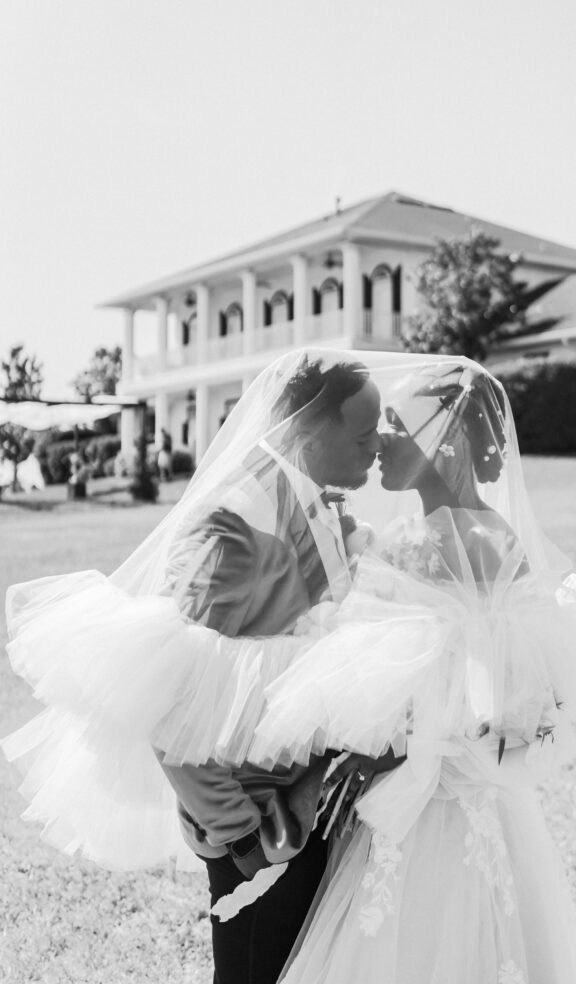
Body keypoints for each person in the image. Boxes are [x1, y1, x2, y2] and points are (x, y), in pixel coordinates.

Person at [1, 350, 395, 984]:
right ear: (308, 431)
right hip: (262, 823)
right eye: (363, 434)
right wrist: (243, 841)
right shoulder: (232, 524)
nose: (379, 446)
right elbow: (168, 691)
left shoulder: (315, 499)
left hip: (306, 801)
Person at [250, 358, 576, 984]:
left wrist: (378, 755)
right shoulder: (500, 535)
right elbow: (502, 696)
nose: (379, 442)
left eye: (396, 425)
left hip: (425, 811)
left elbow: (413, 689)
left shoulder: (417, 545)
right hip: (494, 804)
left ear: (445, 442)